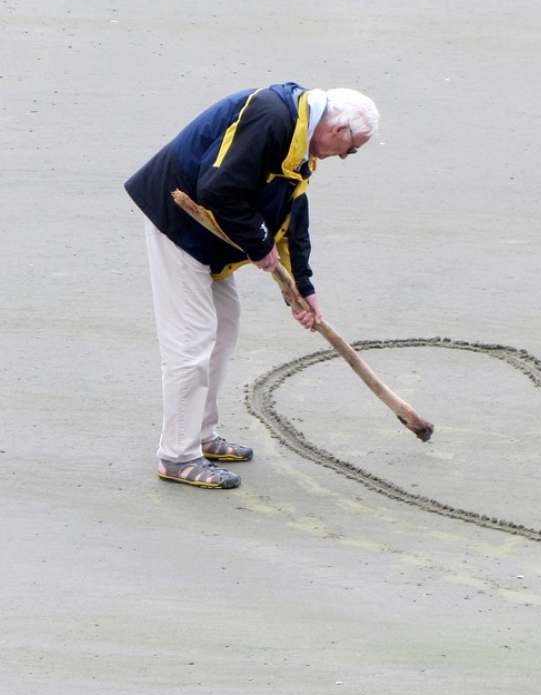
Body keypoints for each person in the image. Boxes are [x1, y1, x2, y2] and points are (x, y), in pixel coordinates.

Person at [125, 83, 378, 489]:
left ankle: (201, 436)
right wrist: (259, 247)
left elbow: (292, 213)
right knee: (191, 342)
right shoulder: (273, 117)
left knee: (224, 327)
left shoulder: (301, 141)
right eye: (352, 149)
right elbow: (216, 188)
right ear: (339, 130)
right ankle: (177, 455)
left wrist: (302, 288)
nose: (346, 157)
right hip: (178, 224)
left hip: (210, 236)